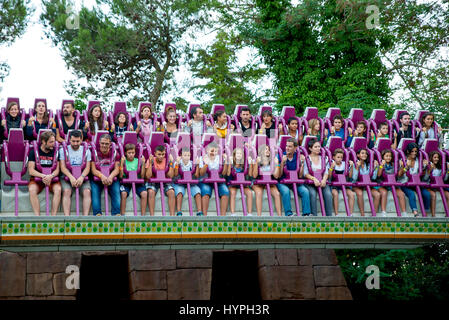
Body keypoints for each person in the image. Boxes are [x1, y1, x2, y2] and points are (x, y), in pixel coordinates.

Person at [27, 131, 62, 216]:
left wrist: (51, 176)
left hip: (52, 178)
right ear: (43, 141)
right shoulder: (33, 152)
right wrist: (43, 176)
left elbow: (57, 169)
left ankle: (53, 216)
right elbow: (31, 170)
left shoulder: (56, 152)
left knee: (58, 189)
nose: (53, 144)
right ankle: (37, 216)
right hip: (38, 178)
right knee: (32, 189)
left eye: (54, 142)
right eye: (51, 142)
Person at [274, 138, 311, 216]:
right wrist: (282, 163)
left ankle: (306, 214)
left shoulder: (298, 156)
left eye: (290, 146)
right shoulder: (281, 156)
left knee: (305, 191)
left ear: (295, 148)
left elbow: (300, 176)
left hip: (295, 181)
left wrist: (302, 164)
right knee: (286, 191)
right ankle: (288, 213)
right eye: (287, 146)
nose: (287, 148)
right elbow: (279, 176)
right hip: (283, 181)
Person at [59, 130, 91, 216]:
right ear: (69, 140)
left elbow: (87, 167)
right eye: (73, 141)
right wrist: (71, 177)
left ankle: (85, 217)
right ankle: (67, 216)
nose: (76, 143)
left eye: (78, 141)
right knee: (67, 191)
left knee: (87, 191)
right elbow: (62, 167)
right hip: (67, 176)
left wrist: (82, 177)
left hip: (82, 176)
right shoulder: (63, 150)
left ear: (81, 140)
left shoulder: (87, 150)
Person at [90, 134, 121, 216]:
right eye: (102, 143)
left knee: (116, 191)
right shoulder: (94, 152)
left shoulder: (115, 153)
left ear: (110, 144)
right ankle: (97, 214)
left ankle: (116, 214)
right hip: (98, 177)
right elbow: (93, 169)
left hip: (111, 177)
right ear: (99, 143)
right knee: (95, 192)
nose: (104, 145)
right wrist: (102, 176)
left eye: (106, 144)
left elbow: (117, 169)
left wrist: (110, 177)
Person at [196, 142, 230, 216]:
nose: (213, 153)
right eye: (211, 151)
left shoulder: (219, 158)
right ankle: (205, 216)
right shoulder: (203, 158)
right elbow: (201, 173)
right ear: (207, 150)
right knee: (206, 190)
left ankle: (223, 216)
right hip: (205, 181)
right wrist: (206, 164)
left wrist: (226, 162)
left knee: (225, 191)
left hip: (218, 181)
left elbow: (224, 173)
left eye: (215, 151)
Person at [397, 143, 429, 217]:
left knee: (426, 194)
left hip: (416, 183)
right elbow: (399, 175)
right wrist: (406, 167)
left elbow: (423, 175)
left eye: (415, 151)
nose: (414, 153)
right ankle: (415, 212)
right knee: (411, 194)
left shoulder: (418, 161)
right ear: (408, 151)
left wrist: (425, 167)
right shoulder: (402, 160)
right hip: (405, 183)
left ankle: (426, 212)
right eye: (412, 151)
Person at [303, 138, 333, 216]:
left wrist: (324, 180)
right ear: (310, 148)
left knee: (328, 194)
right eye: (315, 147)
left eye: (319, 147)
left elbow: (326, 172)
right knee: (312, 194)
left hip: (322, 181)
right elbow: (305, 173)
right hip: (310, 182)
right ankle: (314, 216)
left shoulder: (323, 158)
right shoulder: (307, 158)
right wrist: (314, 179)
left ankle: (329, 216)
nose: (318, 148)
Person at [145, 145, 176, 216]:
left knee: (171, 192)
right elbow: (148, 176)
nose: (161, 156)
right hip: (153, 181)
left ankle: (172, 216)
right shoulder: (151, 160)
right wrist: (150, 163)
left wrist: (171, 162)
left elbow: (170, 175)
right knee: (151, 192)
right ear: (155, 153)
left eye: (163, 154)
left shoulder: (166, 161)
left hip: (164, 181)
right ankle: (152, 216)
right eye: (159, 154)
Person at [348, 148, 380, 217]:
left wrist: (376, 167)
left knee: (377, 195)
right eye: (362, 153)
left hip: (367, 184)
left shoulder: (368, 165)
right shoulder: (354, 164)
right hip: (356, 184)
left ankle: (373, 215)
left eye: (365, 153)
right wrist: (357, 168)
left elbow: (373, 177)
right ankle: (362, 214)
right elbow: (354, 179)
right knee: (359, 193)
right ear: (358, 155)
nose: (364, 155)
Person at [375, 149, 406, 217]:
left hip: (392, 184)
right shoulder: (380, 164)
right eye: (386, 156)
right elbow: (379, 175)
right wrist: (381, 166)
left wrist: (402, 167)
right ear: (383, 157)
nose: (388, 157)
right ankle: (383, 211)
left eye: (390, 156)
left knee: (401, 194)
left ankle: (404, 212)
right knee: (384, 193)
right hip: (382, 183)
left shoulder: (394, 165)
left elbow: (398, 174)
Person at [252, 144, 282, 216]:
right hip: (258, 182)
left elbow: (276, 176)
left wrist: (277, 164)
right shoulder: (257, 160)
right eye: (266, 149)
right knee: (259, 193)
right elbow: (254, 175)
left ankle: (280, 216)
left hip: (269, 181)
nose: (268, 151)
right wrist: (256, 163)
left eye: (268, 149)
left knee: (277, 194)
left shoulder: (272, 161)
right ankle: (259, 216)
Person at [172, 147, 202, 216]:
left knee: (197, 192)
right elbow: (175, 174)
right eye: (185, 155)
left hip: (190, 183)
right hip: (180, 183)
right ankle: (179, 211)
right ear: (181, 156)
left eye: (188, 155)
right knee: (179, 192)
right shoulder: (177, 162)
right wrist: (177, 165)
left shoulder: (192, 163)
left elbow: (197, 175)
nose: (187, 157)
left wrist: (197, 165)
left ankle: (199, 211)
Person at [225, 147, 255, 216]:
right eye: (237, 153)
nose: (239, 155)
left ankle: (249, 213)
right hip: (232, 183)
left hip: (242, 183)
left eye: (240, 154)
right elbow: (228, 173)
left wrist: (250, 165)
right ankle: (233, 213)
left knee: (249, 193)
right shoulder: (232, 164)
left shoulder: (244, 165)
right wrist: (229, 164)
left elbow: (250, 174)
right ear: (234, 155)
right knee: (233, 192)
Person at [119, 143, 147, 215]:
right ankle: (123, 215)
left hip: (137, 181)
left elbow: (142, 175)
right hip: (126, 182)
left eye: (133, 153)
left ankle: (143, 215)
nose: (131, 154)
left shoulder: (138, 161)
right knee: (123, 193)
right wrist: (121, 164)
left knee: (144, 193)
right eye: (129, 153)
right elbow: (121, 176)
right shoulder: (124, 161)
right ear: (125, 153)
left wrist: (143, 164)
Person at [327, 148, 355, 216]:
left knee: (351, 194)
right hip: (334, 183)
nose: (340, 159)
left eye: (341, 157)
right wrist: (331, 168)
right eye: (338, 157)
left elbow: (350, 176)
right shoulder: (331, 163)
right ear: (334, 157)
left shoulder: (344, 164)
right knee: (335, 194)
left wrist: (351, 167)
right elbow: (329, 177)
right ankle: (336, 213)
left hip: (343, 183)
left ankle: (350, 214)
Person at [421, 151, 445, 217]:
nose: (436, 159)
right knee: (433, 195)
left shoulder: (440, 168)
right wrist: (429, 170)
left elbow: (444, 179)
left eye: (438, 157)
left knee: (448, 195)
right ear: (431, 158)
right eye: (435, 157)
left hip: (437, 186)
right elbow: (425, 179)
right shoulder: (428, 166)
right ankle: (433, 215)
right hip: (428, 185)